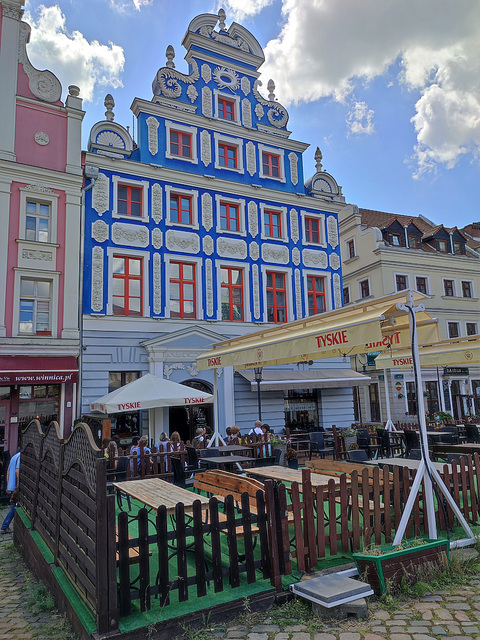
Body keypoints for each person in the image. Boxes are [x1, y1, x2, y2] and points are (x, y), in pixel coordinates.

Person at [1, 449, 21, 534]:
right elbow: (17, 471)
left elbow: (8, 472)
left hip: (13, 486)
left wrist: (8, 485)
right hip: (18, 487)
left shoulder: (14, 457)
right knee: (15, 506)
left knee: (15, 505)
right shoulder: (21, 457)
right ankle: (4, 526)